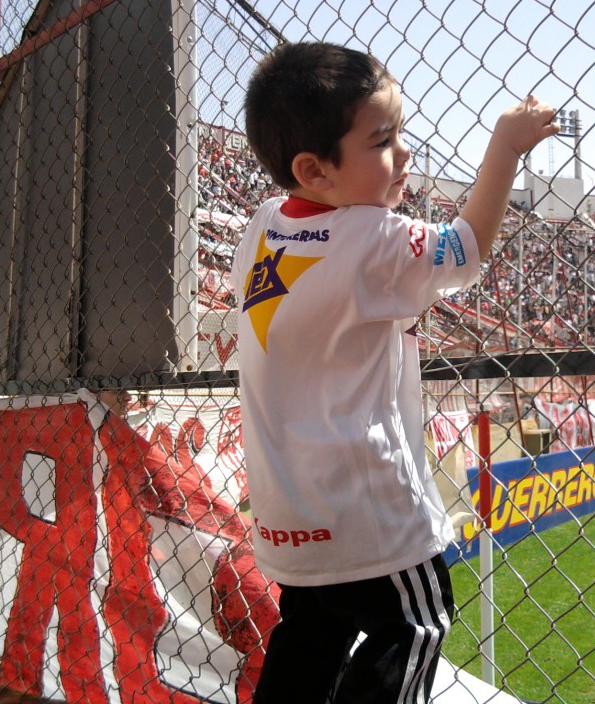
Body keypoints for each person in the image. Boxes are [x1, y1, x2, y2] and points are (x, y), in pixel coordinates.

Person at [231, 40, 558, 703]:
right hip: (372, 512)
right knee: (416, 621)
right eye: (383, 139)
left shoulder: (262, 227)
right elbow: (464, 249)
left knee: (309, 638)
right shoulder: (375, 241)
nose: (404, 152)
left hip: (289, 514)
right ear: (314, 169)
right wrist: (505, 143)